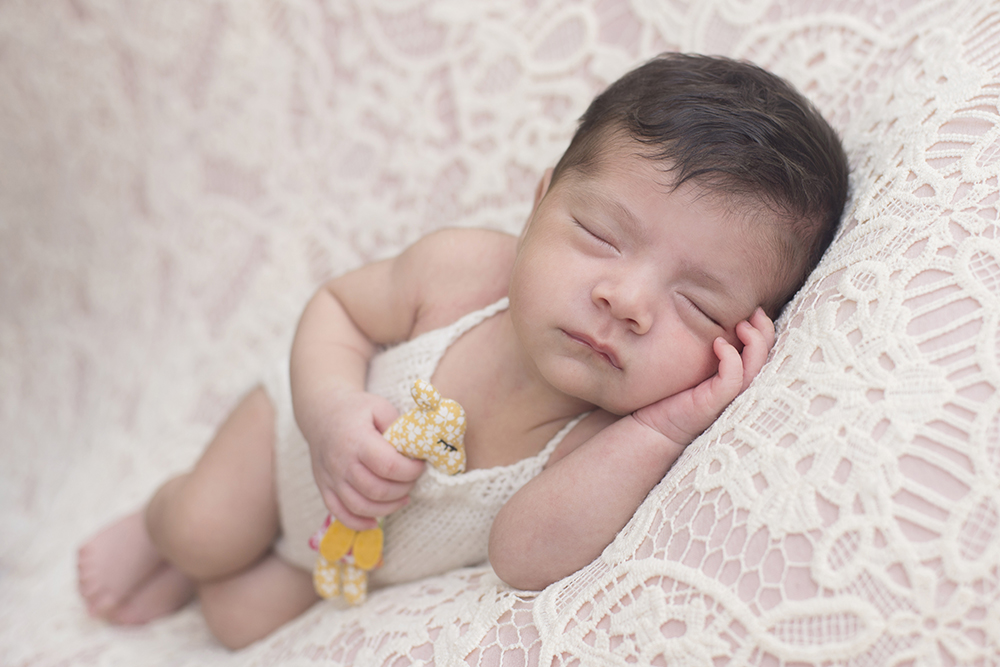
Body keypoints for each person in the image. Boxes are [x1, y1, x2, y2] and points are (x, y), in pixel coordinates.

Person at [76, 52, 849, 650]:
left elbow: (521, 555)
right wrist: (332, 413)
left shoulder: (608, 438)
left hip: (341, 549)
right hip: (289, 439)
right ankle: (159, 523)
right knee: (204, 529)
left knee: (236, 621)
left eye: (698, 304)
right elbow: (338, 307)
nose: (629, 301)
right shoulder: (469, 275)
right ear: (541, 200)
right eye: (599, 236)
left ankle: (197, 568)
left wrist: (665, 428)